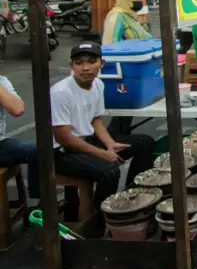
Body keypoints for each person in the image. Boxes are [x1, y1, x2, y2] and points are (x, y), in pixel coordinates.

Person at [52, 42, 155, 208]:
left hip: (88, 140)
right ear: (71, 66)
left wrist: (110, 144)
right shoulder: (61, 92)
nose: (85, 68)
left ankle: (133, 196)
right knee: (109, 171)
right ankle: (101, 217)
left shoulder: (98, 84)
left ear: (102, 63)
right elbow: (63, 137)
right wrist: (102, 154)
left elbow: (95, 119)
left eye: (91, 62)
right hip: (63, 153)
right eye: (79, 63)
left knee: (144, 143)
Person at [0, 76, 39, 215]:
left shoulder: (2, 81)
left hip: (0, 145)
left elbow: (17, 109)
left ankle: (37, 203)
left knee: (38, 150)